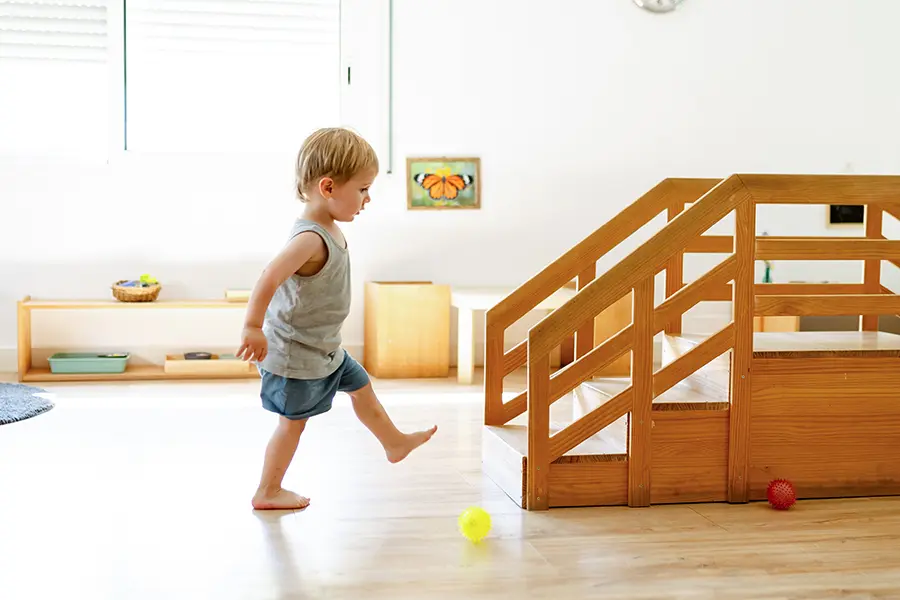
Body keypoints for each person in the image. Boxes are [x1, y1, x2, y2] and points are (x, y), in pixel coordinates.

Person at [237, 127, 437, 510]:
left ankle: (393, 442)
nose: (368, 198)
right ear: (328, 187)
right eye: (362, 189)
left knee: (362, 389)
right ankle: (268, 490)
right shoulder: (310, 238)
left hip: (325, 349)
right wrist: (252, 327)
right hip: (298, 356)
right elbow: (269, 277)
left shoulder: (328, 229)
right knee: (292, 424)